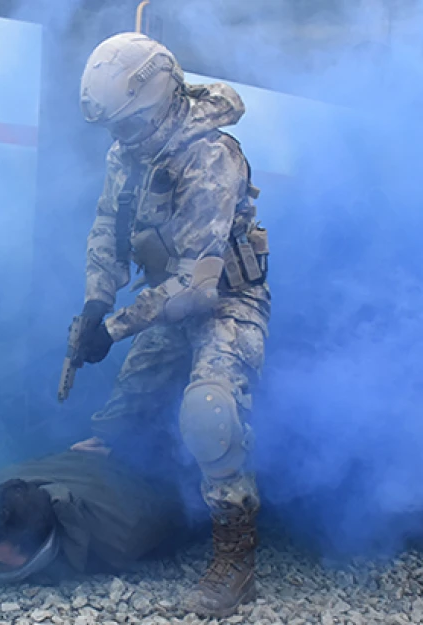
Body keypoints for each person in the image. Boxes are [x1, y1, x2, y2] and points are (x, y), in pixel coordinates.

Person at [69, 32, 271, 617]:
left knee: (208, 412)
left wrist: (115, 328)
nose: (119, 138)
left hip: (223, 299)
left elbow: (196, 283)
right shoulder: (127, 149)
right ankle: (126, 506)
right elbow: (107, 225)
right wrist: (95, 301)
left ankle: (236, 560)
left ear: (159, 103)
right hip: (166, 300)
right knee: (117, 423)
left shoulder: (212, 156)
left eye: (128, 125)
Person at [0, 449, 192, 584]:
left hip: (138, 464)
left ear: (42, 550)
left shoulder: (122, 536)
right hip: (75, 459)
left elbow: (178, 511)